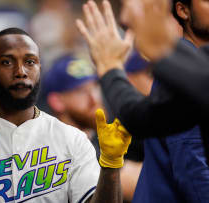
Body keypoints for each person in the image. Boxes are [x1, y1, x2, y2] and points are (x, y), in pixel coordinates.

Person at [0, 27, 132, 203]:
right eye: (7, 62)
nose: (20, 71)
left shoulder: (72, 139)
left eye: (30, 62)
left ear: (40, 69)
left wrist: (111, 165)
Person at [75, 0, 209, 202]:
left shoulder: (194, 64)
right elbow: (194, 173)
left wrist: (110, 67)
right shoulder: (184, 73)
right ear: (182, 10)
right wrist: (111, 67)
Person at [43, 54, 144, 202]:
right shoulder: (65, 147)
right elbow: (136, 184)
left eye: (95, 87)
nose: (94, 98)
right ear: (57, 101)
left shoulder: (94, 136)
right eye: (81, 91)